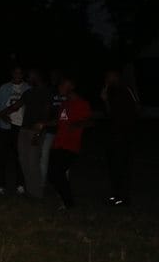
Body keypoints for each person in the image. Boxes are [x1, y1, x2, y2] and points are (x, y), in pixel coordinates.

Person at [44, 76, 91, 210]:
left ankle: (68, 203)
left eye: (62, 85)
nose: (59, 87)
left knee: (57, 173)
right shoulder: (64, 104)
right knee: (52, 175)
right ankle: (66, 200)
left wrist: (77, 124)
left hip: (70, 145)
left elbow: (89, 121)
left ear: (71, 86)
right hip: (58, 144)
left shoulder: (81, 104)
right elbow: (59, 122)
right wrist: (44, 124)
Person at [101, 70, 139, 207]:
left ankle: (124, 197)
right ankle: (116, 194)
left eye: (109, 76)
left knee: (123, 166)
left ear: (116, 76)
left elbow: (134, 111)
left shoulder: (125, 90)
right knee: (113, 165)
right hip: (114, 134)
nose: (106, 78)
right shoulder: (112, 92)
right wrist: (105, 100)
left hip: (124, 135)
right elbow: (110, 113)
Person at [14, 70, 54, 199]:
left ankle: (37, 193)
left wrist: (40, 129)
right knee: (23, 160)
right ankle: (30, 190)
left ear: (38, 77)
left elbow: (47, 111)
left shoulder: (46, 92)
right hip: (24, 130)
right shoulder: (28, 93)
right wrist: (0, 114)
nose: (29, 78)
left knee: (33, 162)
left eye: (31, 76)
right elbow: (16, 105)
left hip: (35, 130)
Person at [0, 66, 28, 195]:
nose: (18, 74)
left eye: (20, 72)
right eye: (15, 72)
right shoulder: (4, 87)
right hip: (5, 126)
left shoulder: (27, 88)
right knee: (2, 156)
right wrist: (2, 116)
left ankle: (20, 184)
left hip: (21, 127)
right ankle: (1, 185)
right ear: (12, 74)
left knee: (20, 157)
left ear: (23, 74)